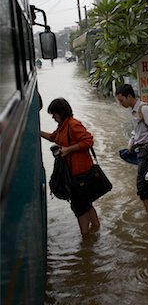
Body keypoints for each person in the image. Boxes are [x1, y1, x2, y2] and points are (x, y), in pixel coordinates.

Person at [41, 98, 100, 236]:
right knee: (86, 203)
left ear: (61, 112)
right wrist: (37, 132)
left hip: (80, 173)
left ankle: (86, 239)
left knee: (79, 207)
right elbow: (52, 137)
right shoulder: (63, 126)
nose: (53, 117)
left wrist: (68, 150)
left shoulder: (73, 125)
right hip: (73, 172)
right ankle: (96, 230)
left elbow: (89, 140)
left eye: (54, 114)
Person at [115, 84, 148, 214]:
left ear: (129, 96)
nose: (120, 103)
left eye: (121, 100)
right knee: (147, 179)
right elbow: (137, 130)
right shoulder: (134, 111)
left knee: (141, 183)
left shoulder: (144, 109)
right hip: (141, 150)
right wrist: (131, 141)